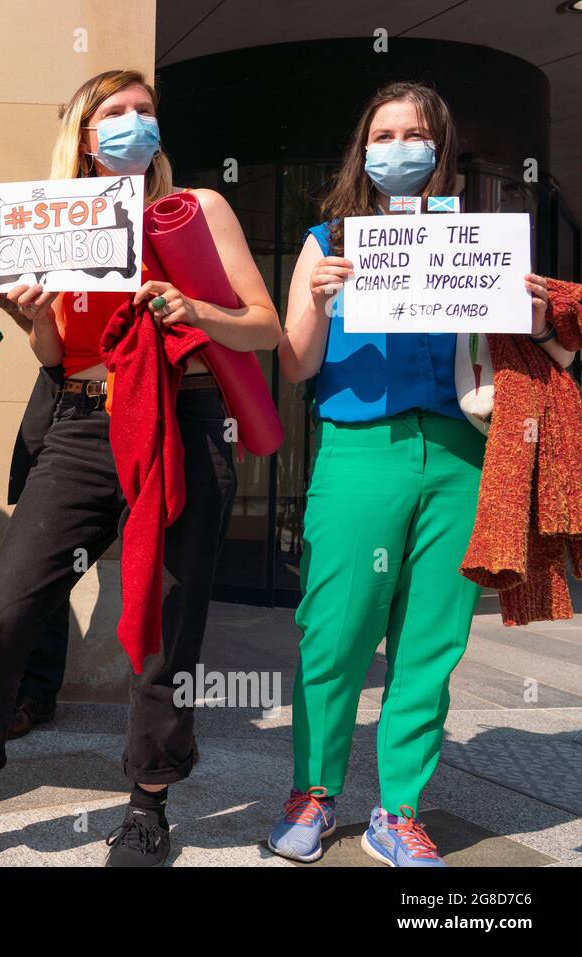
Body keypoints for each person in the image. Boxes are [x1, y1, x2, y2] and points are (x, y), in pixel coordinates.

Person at [0, 69, 279, 867]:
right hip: (78, 424)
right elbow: (50, 352)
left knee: (167, 621)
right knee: (5, 606)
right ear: (81, 131)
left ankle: (148, 806)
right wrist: (34, 316)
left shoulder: (197, 210)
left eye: (146, 112)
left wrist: (193, 308)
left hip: (180, 418)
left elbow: (264, 327)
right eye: (115, 112)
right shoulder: (49, 221)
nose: (134, 124)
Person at [267, 82, 561, 867]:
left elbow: (521, 343)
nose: (399, 146)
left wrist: (532, 312)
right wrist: (320, 301)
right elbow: (295, 363)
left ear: (441, 148)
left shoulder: (479, 239)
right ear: (365, 149)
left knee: (431, 642)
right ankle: (314, 791)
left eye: (415, 133)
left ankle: (397, 810)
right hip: (361, 448)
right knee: (334, 630)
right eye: (384, 133)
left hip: (464, 452)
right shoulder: (327, 238)